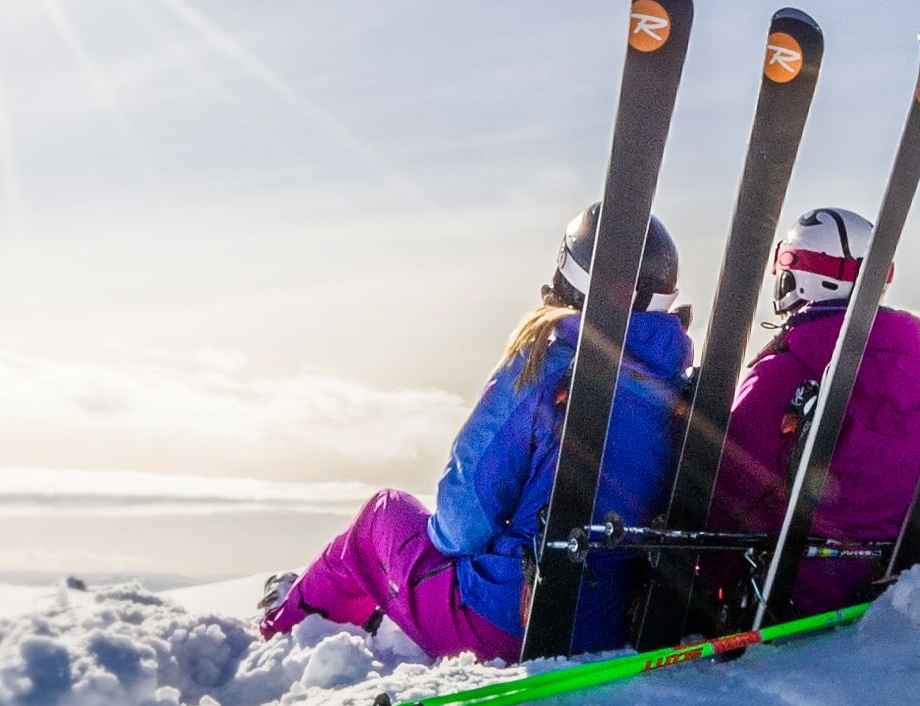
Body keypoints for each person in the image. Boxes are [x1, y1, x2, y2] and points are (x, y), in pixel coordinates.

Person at [259, 205, 695, 659]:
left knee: (381, 516)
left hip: (504, 621)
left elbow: (459, 526)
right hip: (609, 621)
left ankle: (285, 629)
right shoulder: (676, 389)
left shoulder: (548, 365)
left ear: (571, 272)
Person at [705, 205, 920, 619]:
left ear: (801, 273)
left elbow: (730, 483)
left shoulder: (786, 368)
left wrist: (702, 585)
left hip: (781, 588)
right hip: (872, 584)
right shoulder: (912, 369)